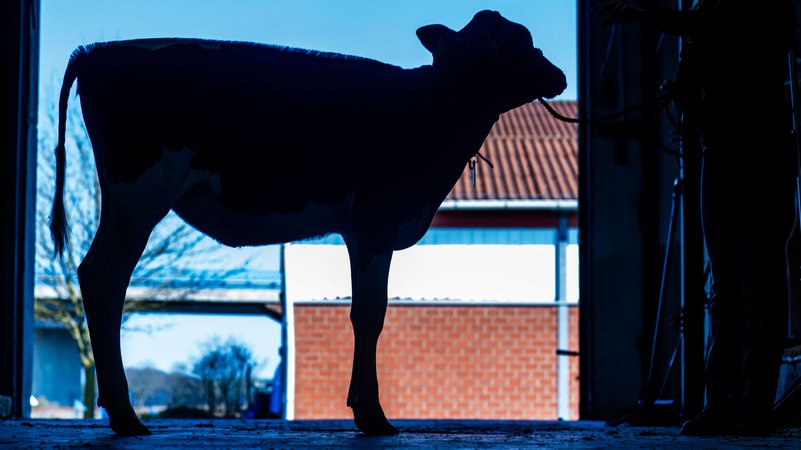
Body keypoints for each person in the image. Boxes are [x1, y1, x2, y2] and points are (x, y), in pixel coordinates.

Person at [596, 0, 797, 436]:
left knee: (758, 279)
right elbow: (699, 49)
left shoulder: (751, 7)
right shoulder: (706, 10)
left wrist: (647, 15)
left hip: (762, 148)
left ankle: (751, 404)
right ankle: (726, 403)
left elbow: (721, 26)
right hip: (721, 148)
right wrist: (685, 93)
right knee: (728, 283)